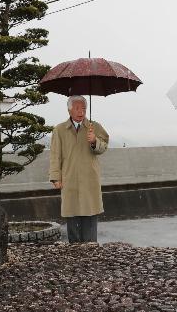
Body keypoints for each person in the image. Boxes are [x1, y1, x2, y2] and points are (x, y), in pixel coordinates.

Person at [49, 95, 109, 243]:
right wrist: (56, 177)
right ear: (69, 110)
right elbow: (55, 155)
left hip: (89, 179)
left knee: (90, 218)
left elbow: (104, 146)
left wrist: (94, 141)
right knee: (73, 217)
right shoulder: (60, 130)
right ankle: (75, 255)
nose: (81, 111)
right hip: (69, 180)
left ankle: (91, 253)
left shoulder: (94, 127)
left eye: (83, 108)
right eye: (77, 108)